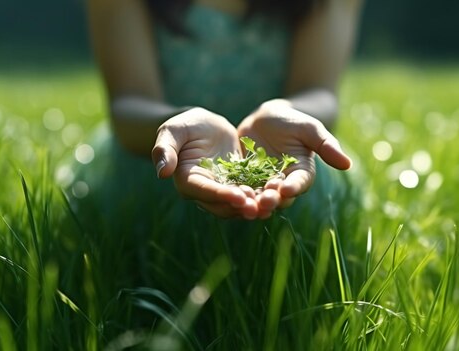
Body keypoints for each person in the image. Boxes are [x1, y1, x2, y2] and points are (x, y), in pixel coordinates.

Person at [79, 0, 364, 230]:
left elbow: (319, 92)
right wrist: (176, 126)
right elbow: (130, 101)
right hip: (150, 177)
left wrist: (289, 114)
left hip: (287, 173)